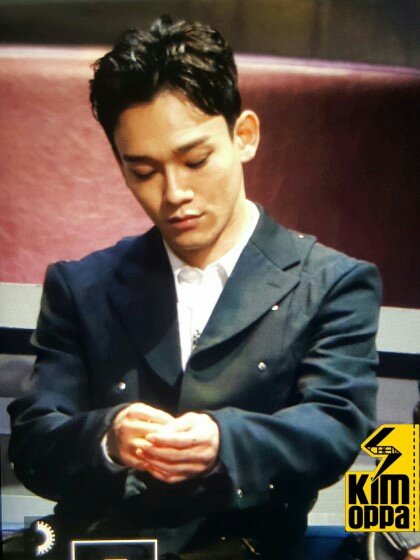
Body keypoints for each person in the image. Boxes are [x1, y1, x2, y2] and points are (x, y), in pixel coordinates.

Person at [8, 16, 382, 560]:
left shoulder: (332, 283)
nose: (174, 193)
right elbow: (34, 443)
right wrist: (108, 438)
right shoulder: (80, 286)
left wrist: (223, 442)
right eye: (143, 171)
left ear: (244, 136)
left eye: (195, 160)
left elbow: (334, 425)